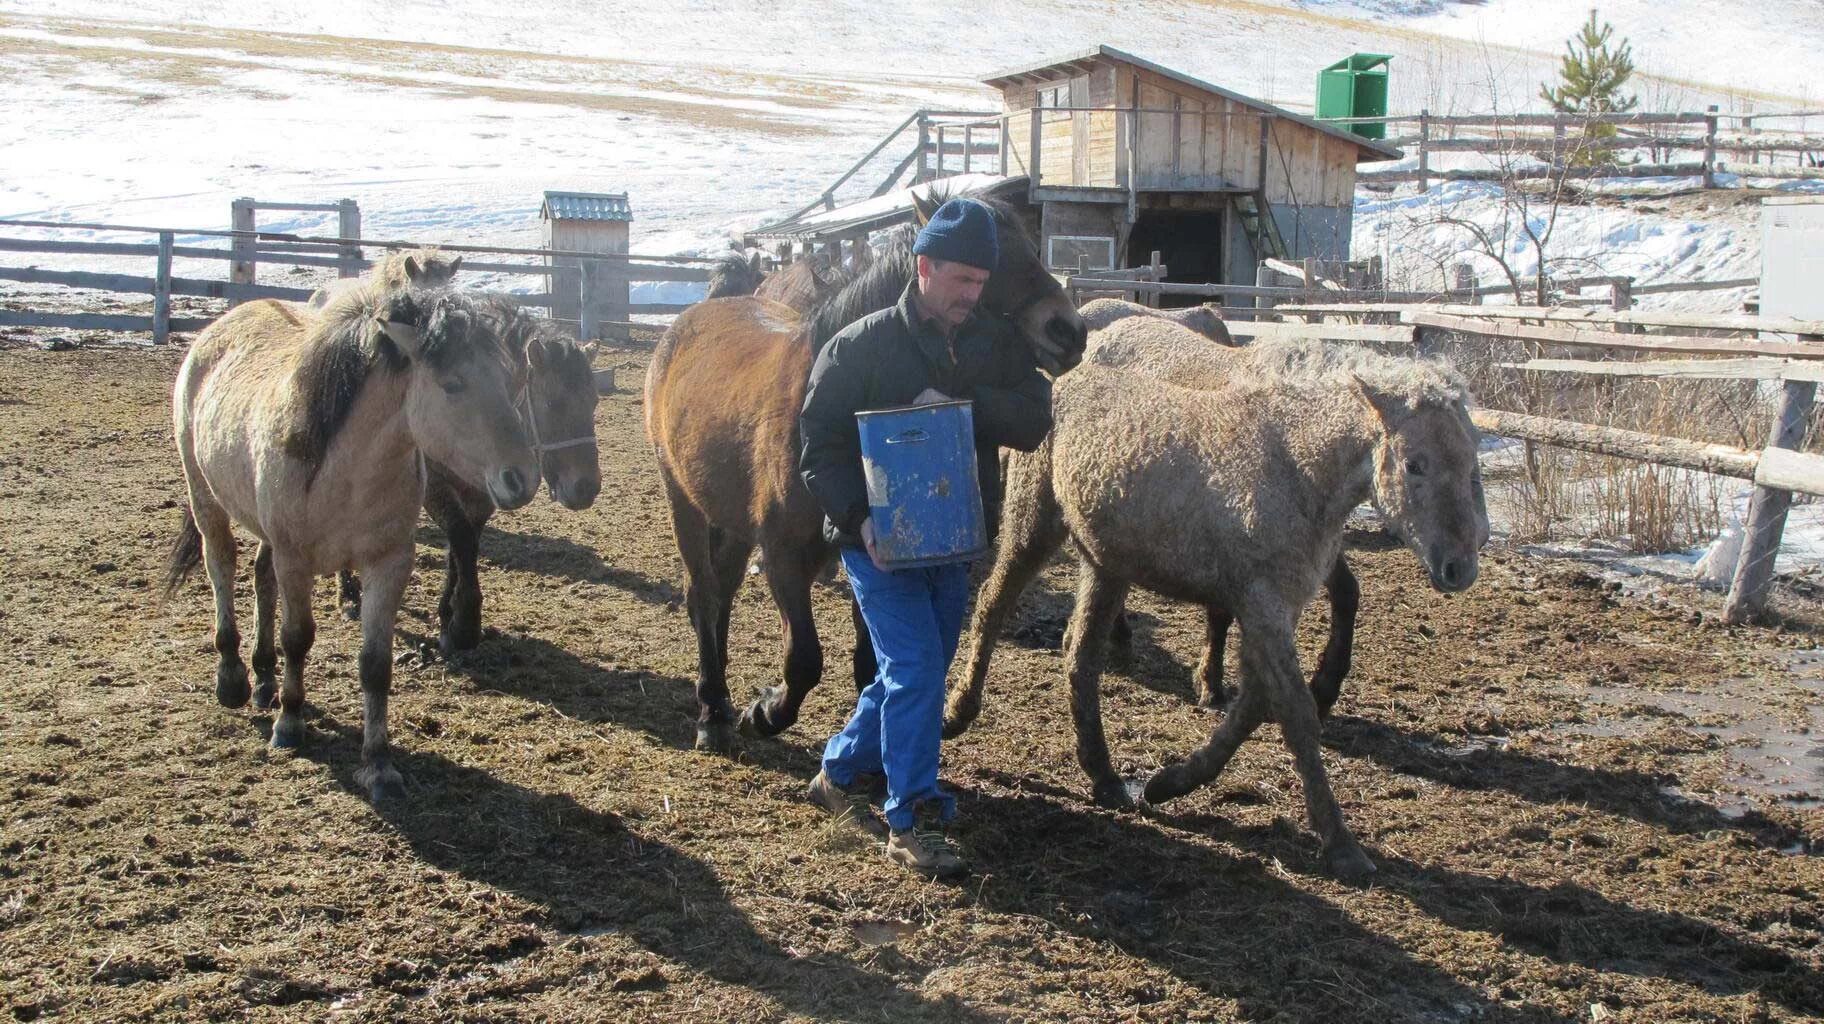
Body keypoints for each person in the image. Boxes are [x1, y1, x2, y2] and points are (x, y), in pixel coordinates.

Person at [797, 197, 1053, 879]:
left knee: (919, 670)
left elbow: (1034, 417)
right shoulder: (859, 346)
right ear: (924, 266)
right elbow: (817, 450)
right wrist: (860, 520)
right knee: (914, 670)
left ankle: (837, 771)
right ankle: (910, 814)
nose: (973, 295)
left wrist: (965, 413)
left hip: (954, 538)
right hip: (878, 545)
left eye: (981, 283)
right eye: (962, 280)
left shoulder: (991, 346)